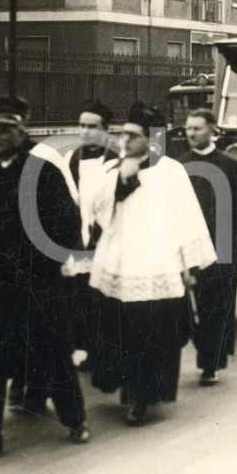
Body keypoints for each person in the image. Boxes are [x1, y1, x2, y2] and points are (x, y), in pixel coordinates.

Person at [0, 96, 89, 461]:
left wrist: (52, 265)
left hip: (39, 279)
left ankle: (75, 421)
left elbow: (68, 224)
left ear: (21, 131)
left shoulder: (42, 170)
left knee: (54, 353)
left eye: (4, 129)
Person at [88, 102, 217, 425]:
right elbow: (99, 211)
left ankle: (142, 399)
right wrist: (124, 180)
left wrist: (189, 266)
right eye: (122, 134)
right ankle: (128, 390)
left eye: (132, 136)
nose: (124, 141)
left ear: (149, 139)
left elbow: (186, 217)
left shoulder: (170, 171)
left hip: (158, 264)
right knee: (123, 331)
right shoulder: (113, 169)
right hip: (122, 263)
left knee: (152, 335)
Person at [177, 108, 237, 386]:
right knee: (190, 307)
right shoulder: (180, 166)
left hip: (223, 248)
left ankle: (211, 363)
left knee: (218, 307)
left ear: (212, 130)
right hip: (190, 248)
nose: (191, 133)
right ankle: (203, 351)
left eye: (197, 128)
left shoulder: (228, 165)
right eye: (188, 128)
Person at [63, 99, 119, 372]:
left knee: (104, 297)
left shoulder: (116, 161)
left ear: (106, 129)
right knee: (82, 296)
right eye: (82, 125)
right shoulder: (72, 159)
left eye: (92, 126)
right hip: (80, 237)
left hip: (107, 236)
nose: (85, 131)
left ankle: (105, 353)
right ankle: (86, 348)